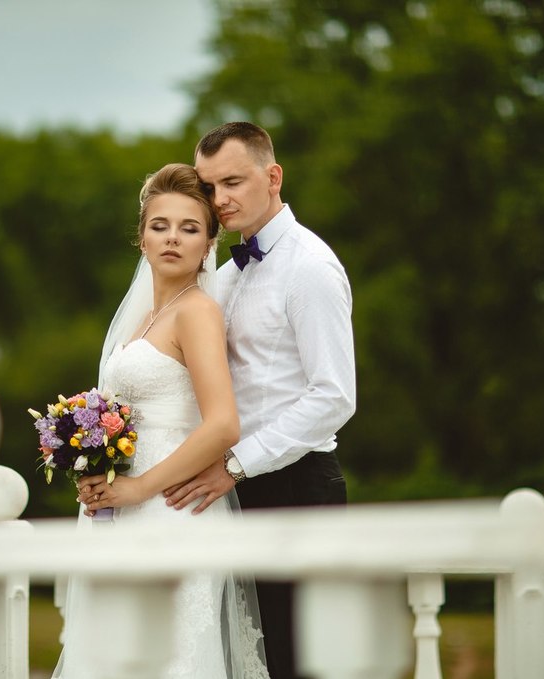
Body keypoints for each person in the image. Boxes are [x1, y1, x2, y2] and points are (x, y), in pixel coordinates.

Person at [54, 163, 270, 679]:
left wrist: (139, 488)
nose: (172, 237)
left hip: (169, 507)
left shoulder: (197, 312)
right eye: (160, 225)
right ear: (142, 238)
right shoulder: (143, 317)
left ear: (208, 243)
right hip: (121, 507)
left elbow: (223, 425)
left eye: (189, 228)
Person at [162, 122, 357, 679]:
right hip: (229, 491)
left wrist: (235, 465)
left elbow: (334, 396)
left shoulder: (309, 267)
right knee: (245, 658)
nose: (219, 199)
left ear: (273, 177)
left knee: (297, 661)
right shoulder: (223, 277)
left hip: (297, 486)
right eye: (209, 187)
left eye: (232, 182)